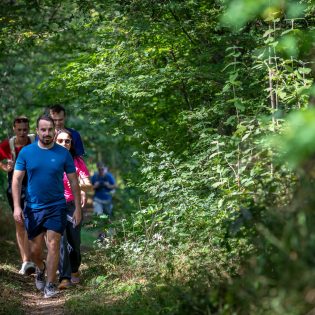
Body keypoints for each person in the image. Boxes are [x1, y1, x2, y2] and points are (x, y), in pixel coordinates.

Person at [12, 114, 82, 299]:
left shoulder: (63, 153)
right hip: (33, 208)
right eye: (43, 129)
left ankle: (50, 285)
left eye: (50, 129)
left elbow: (74, 182)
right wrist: (17, 207)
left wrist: (78, 208)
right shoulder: (27, 152)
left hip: (56, 206)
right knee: (35, 251)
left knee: (53, 244)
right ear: (37, 131)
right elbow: (17, 180)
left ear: (54, 130)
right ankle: (40, 269)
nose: (47, 133)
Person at [55, 129, 92, 289]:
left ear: (71, 144)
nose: (64, 144)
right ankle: (64, 278)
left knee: (74, 243)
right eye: (60, 141)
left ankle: (75, 269)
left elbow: (88, 185)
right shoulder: (49, 158)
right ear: (55, 142)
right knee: (60, 241)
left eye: (67, 141)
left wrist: (81, 185)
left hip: (72, 205)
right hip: (54, 205)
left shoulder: (77, 161)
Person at [0, 116, 36, 275]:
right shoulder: (8, 145)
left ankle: (37, 259)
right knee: (20, 221)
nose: (22, 133)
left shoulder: (36, 140)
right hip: (15, 186)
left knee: (35, 221)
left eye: (25, 130)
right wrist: (6, 166)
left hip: (35, 184)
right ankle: (26, 262)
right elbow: (1, 162)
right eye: (19, 130)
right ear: (14, 129)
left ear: (29, 129)